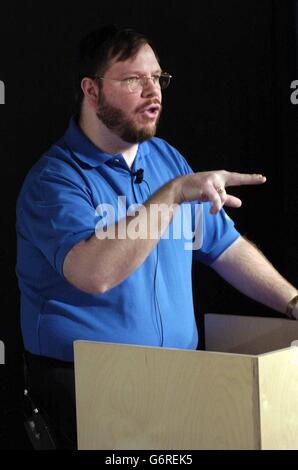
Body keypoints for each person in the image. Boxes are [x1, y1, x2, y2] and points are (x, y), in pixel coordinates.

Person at [16, 24, 298, 449]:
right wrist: (170, 195)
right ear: (91, 91)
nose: (154, 92)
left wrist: (293, 302)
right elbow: (95, 273)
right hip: (87, 390)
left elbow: (223, 247)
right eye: (134, 79)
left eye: (158, 78)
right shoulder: (55, 180)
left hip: (175, 380)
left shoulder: (167, 159)